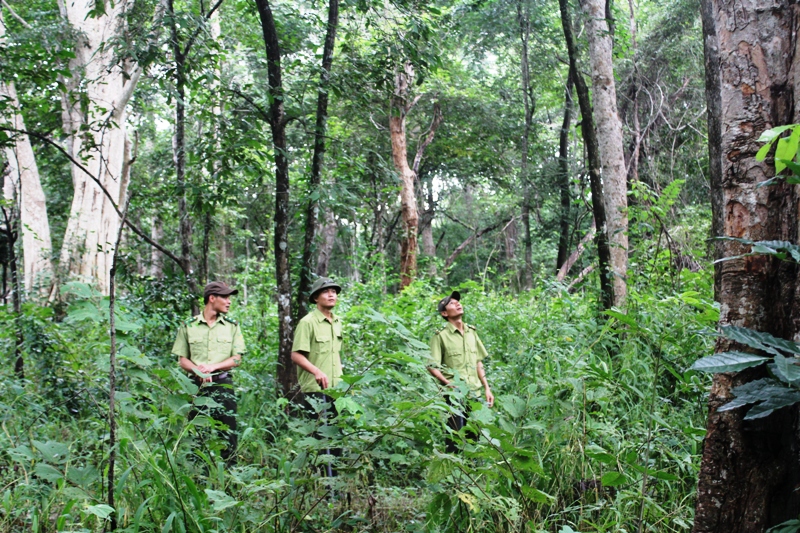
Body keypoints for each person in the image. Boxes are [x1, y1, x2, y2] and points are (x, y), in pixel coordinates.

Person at [172, 281, 245, 466]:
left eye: (230, 298)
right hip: (196, 387)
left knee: (228, 436)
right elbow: (182, 359)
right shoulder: (189, 326)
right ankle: (198, 483)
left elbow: (236, 359)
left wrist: (213, 367)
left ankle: (229, 481)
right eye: (225, 297)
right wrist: (198, 371)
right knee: (198, 437)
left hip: (223, 385)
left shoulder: (232, 326)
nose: (229, 302)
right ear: (212, 298)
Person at [428, 290, 494, 453]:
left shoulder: (472, 332)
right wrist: (449, 384)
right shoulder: (440, 336)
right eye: (452, 303)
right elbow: (432, 366)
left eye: (458, 301)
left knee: (475, 438)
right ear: (444, 313)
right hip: (454, 396)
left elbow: (478, 361)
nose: (457, 303)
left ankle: (472, 474)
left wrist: (486, 387)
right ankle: (452, 474)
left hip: (475, 394)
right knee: (455, 440)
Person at [291, 277, 343, 476]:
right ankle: (323, 482)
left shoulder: (337, 321)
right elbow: (296, 355)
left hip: (336, 388)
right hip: (316, 389)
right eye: (326, 291)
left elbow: (335, 354)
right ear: (315, 298)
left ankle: (335, 483)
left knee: (336, 436)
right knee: (321, 437)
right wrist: (316, 371)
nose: (331, 295)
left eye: (334, 291)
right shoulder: (307, 322)